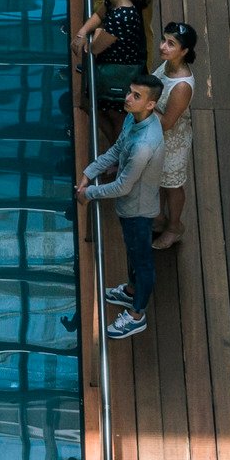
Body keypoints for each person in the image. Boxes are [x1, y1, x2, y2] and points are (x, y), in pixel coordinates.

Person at [79, 77, 164, 339]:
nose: (128, 97)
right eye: (130, 92)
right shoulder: (132, 119)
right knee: (133, 254)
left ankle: (137, 314)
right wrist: (89, 171)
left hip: (138, 210)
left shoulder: (144, 145)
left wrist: (90, 193)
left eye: (136, 96)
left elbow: (123, 186)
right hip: (129, 208)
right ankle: (130, 291)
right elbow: (116, 149)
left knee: (142, 261)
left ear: (150, 104)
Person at [148, 21, 198, 252]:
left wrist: (145, 104)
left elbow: (168, 122)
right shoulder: (167, 65)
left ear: (184, 51)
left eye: (171, 44)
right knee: (158, 181)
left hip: (171, 143)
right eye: (164, 40)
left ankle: (174, 226)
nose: (163, 47)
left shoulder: (182, 86)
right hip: (157, 138)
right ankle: (159, 218)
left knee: (172, 186)